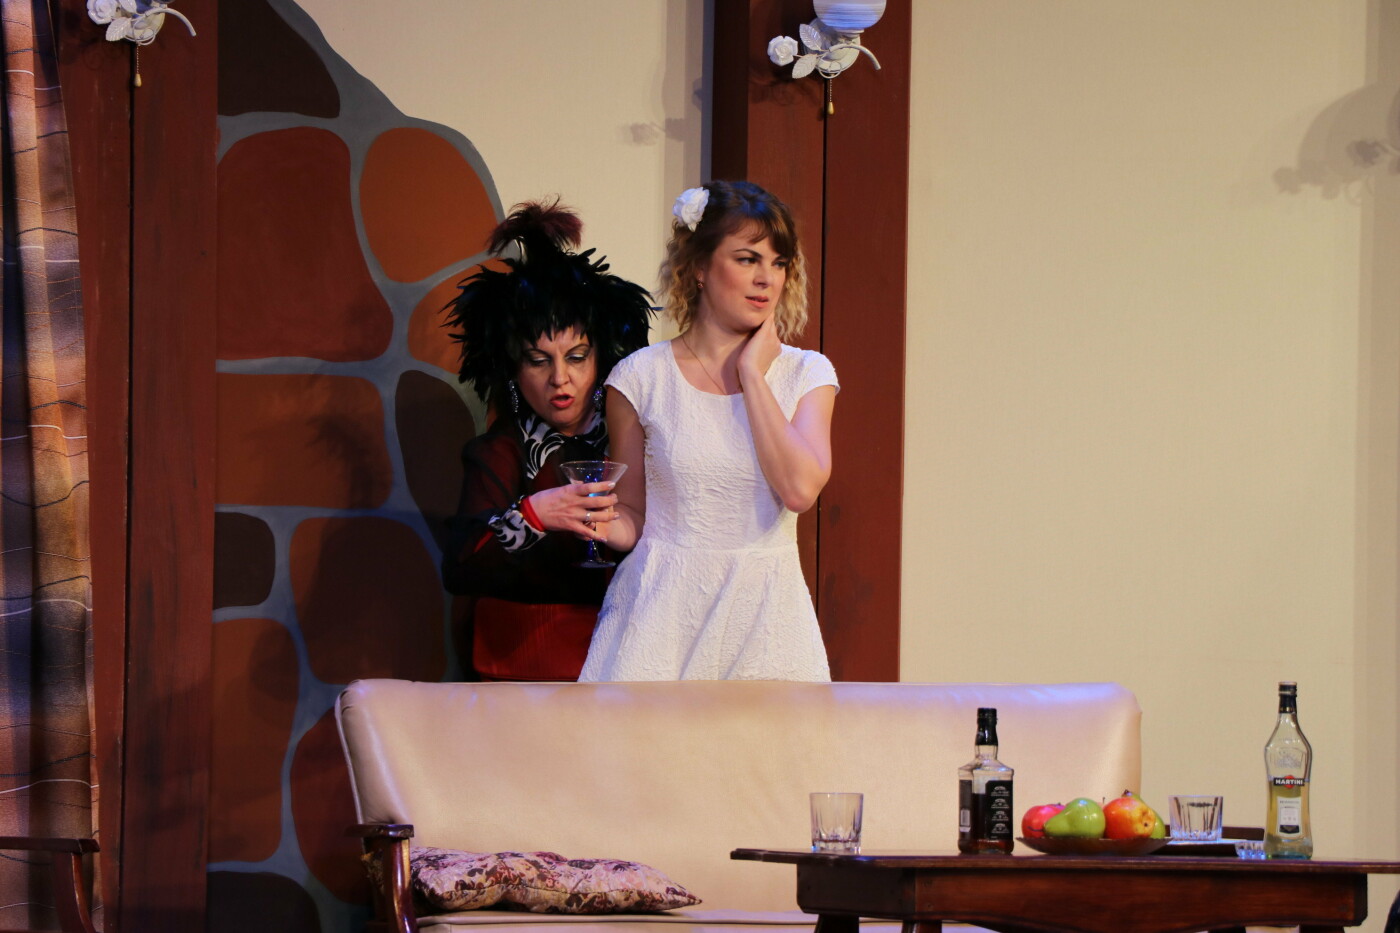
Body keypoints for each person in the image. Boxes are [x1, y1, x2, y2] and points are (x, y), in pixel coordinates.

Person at [578, 181, 837, 682]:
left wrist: (752, 375)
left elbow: (800, 490)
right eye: (747, 259)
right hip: (661, 616)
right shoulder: (640, 378)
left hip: (766, 617)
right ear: (699, 266)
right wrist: (590, 519)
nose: (766, 278)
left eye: (779, 263)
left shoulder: (807, 374)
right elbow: (633, 517)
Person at [441, 199, 651, 681]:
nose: (560, 378)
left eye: (576, 357)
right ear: (514, 371)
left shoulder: (633, 441)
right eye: (538, 361)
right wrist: (533, 515)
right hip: (521, 670)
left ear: (600, 357)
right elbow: (459, 567)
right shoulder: (502, 450)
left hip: (629, 661)